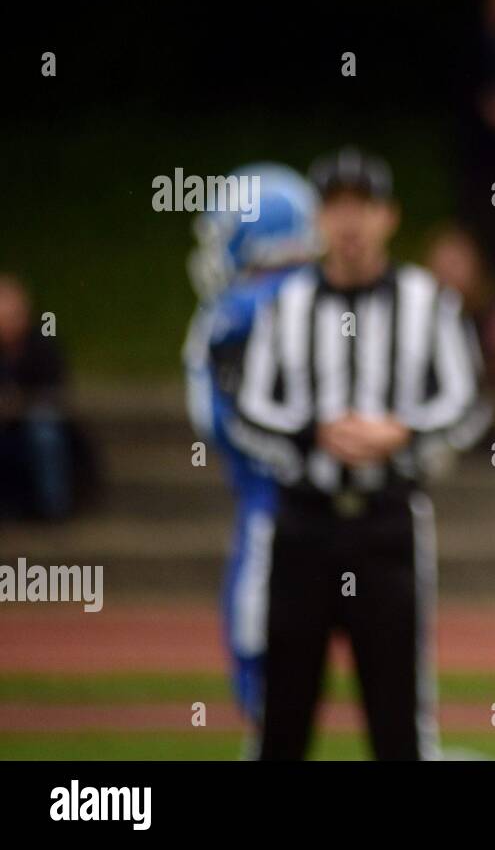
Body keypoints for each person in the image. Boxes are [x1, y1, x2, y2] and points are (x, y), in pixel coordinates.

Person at [234, 147, 484, 759]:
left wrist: (402, 433)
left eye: (363, 206)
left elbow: (467, 402)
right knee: (283, 714)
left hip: (387, 522)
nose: (350, 222)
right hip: (302, 524)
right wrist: (311, 432)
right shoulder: (283, 305)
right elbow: (249, 406)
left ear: (388, 216)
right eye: (337, 206)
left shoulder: (427, 301)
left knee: (396, 716)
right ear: (318, 219)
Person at [181, 162, 321, 739]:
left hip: (273, 504)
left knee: (254, 626)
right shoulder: (328, 292)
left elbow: (215, 415)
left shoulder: (237, 311)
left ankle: (265, 733)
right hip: (347, 500)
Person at [0, 275, 72, 521]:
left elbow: (56, 390)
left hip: (35, 419)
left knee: (45, 431)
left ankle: (54, 508)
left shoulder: (41, 343)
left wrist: (18, 402)